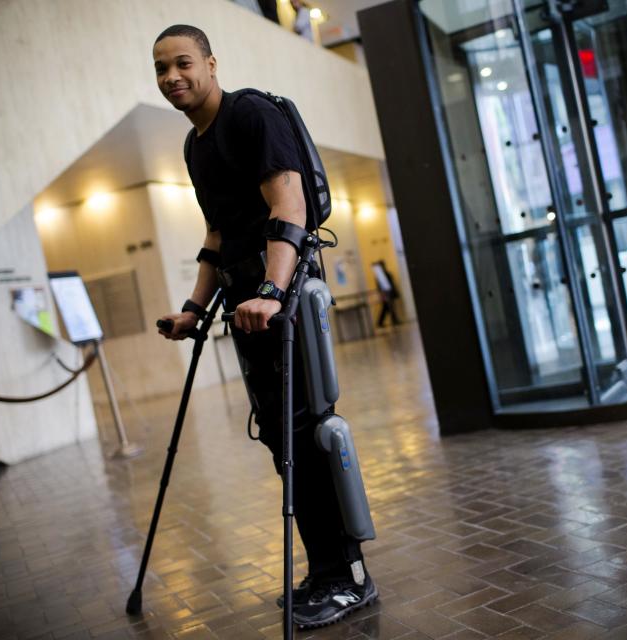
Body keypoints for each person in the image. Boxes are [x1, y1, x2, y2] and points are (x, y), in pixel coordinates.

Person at [152, 25, 376, 629]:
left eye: (182, 63)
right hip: (246, 300)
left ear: (210, 63)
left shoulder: (251, 115)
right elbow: (218, 237)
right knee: (284, 442)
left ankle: (349, 576)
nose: (172, 77)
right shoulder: (195, 146)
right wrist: (194, 311)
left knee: (308, 433)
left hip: (286, 299)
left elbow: (290, 207)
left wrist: (273, 292)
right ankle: (325, 567)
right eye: (161, 70)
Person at [371, 260, 400, 328]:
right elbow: (382, 287)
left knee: (387, 307)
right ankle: (391, 321)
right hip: (386, 294)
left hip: (388, 293)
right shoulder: (381, 276)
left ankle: (383, 322)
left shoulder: (384, 274)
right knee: (388, 307)